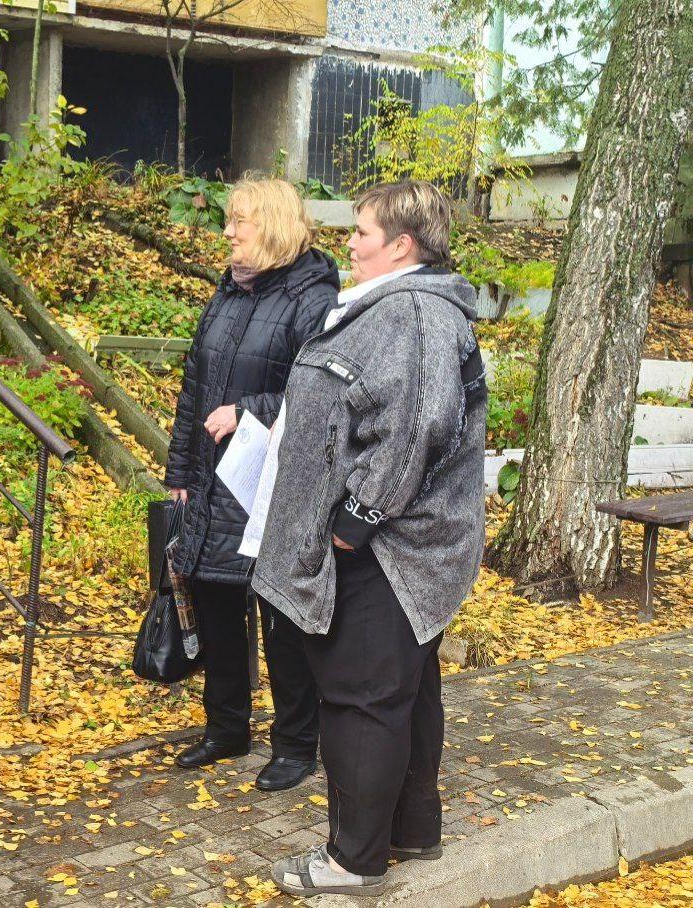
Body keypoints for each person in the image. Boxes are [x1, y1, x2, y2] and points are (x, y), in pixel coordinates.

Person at [253, 180, 487, 896]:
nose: (348, 244)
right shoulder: (398, 307)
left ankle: (353, 860)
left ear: (402, 245)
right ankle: (412, 833)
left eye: (361, 233)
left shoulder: (412, 312)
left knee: (361, 700)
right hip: (408, 548)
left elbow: (417, 426)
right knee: (403, 695)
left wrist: (355, 523)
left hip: (391, 551)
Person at [165, 177, 338, 791]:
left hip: (275, 479)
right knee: (213, 602)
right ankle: (226, 727)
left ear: (271, 226)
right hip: (215, 478)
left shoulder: (314, 300)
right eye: (229, 221)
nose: (228, 232)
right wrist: (180, 474)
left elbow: (320, 393)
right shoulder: (228, 293)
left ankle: (295, 743)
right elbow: (194, 387)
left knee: (280, 615)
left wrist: (250, 410)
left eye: (239, 221)